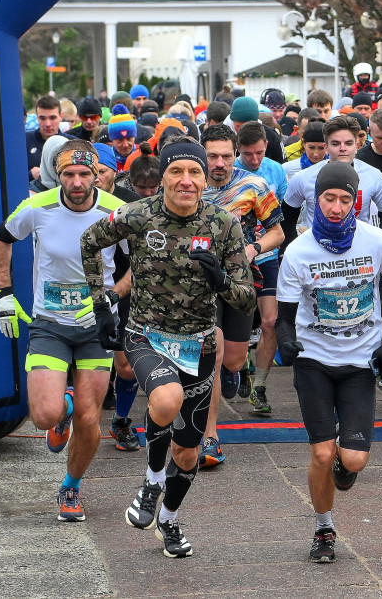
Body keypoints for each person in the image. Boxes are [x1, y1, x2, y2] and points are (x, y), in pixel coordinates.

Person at [79, 138, 256, 558]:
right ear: (162, 177)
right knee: (166, 397)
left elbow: (247, 297)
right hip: (146, 335)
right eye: (177, 172)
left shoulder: (223, 224)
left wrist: (222, 283)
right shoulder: (138, 215)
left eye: (194, 172)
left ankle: (169, 518)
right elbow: (90, 241)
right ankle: (152, 480)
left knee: (189, 450)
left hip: (199, 342)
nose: (186, 181)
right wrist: (101, 302)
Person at [276, 161, 382, 563]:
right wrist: (285, 340)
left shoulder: (376, 240)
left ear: (356, 201)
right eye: (328, 199)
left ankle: (342, 467)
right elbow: (283, 315)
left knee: (352, 459)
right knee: (320, 452)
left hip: (359, 361)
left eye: (344, 199)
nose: (335, 207)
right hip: (314, 359)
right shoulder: (297, 251)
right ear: (316, 201)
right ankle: (323, 529)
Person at [0, 140, 126, 522]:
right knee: (45, 416)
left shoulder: (116, 212)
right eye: (69, 174)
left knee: (91, 419)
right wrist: (4, 295)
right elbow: (0, 241)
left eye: (86, 173)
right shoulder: (38, 206)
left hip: (95, 326)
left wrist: (112, 297)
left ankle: (71, 487)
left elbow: (140, 262)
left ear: (98, 173)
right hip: (50, 323)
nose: (78, 181)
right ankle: (62, 408)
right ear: (57, 174)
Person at [196, 125, 283, 467]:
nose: (219, 163)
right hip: (199, 285)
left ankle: (239, 368)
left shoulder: (254, 185)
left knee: (231, 359)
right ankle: (210, 438)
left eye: (226, 156)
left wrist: (252, 249)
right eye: (212, 156)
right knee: (213, 357)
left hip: (240, 282)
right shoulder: (188, 185)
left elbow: (278, 232)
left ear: (236, 154)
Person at [234, 121, 289, 411]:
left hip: (266, 254)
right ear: (237, 150)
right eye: (247, 155)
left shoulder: (276, 170)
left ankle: (262, 387)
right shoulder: (230, 171)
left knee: (270, 321)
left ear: (266, 146)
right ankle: (241, 365)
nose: (254, 160)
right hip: (236, 259)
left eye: (258, 153)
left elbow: (277, 217)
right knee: (241, 322)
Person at [93, 143, 143, 451]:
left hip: (122, 288)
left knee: (125, 365)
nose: (94, 178)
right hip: (79, 293)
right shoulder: (69, 202)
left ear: (115, 172)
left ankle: (121, 420)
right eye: (90, 172)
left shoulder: (130, 205)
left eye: (101, 171)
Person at [282, 116, 382, 240]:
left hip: (360, 248)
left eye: (348, 143)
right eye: (336, 143)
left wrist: (379, 244)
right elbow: (287, 218)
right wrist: (290, 247)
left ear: (357, 146)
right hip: (316, 249)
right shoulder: (303, 177)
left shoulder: (374, 175)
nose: (342, 148)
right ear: (326, 147)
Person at [26, 95, 63, 179]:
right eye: (42, 118)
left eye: (52, 118)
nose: (47, 124)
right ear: (37, 118)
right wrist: (30, 175)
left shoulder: (71, 142)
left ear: (61, 116)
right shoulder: (24, 141)